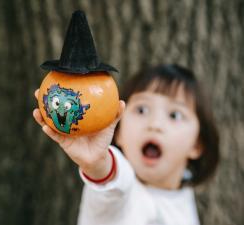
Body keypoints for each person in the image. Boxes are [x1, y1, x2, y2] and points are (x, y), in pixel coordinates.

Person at [33, 64, 219, 225]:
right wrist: (97, 164)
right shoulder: (118, 192)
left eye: (174, 115)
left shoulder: (183, 192)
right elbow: (113, 181)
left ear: (197, 145)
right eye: (141, 109)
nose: (154, 124)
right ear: (119, 132)